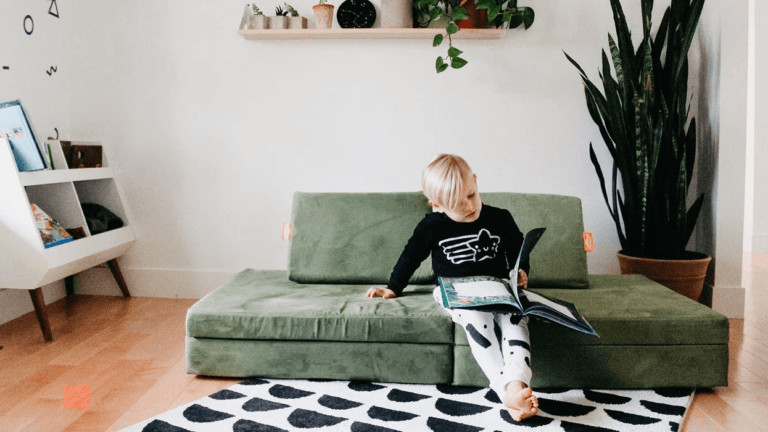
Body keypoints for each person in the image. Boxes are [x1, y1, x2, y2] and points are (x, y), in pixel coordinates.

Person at [365, 154, 539, 422]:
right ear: (436, 205)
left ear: (476, 181)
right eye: (457, 204)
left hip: (498, 289)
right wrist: (393, 287)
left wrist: (520, 271)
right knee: (476, 318)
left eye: (471, 195)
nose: (469, 207)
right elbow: (411, 256)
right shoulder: (431, 226)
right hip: (454, 291)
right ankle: (505, 389)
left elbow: (519, 250)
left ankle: (518, 384)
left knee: (517, 320)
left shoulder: (500, 218)